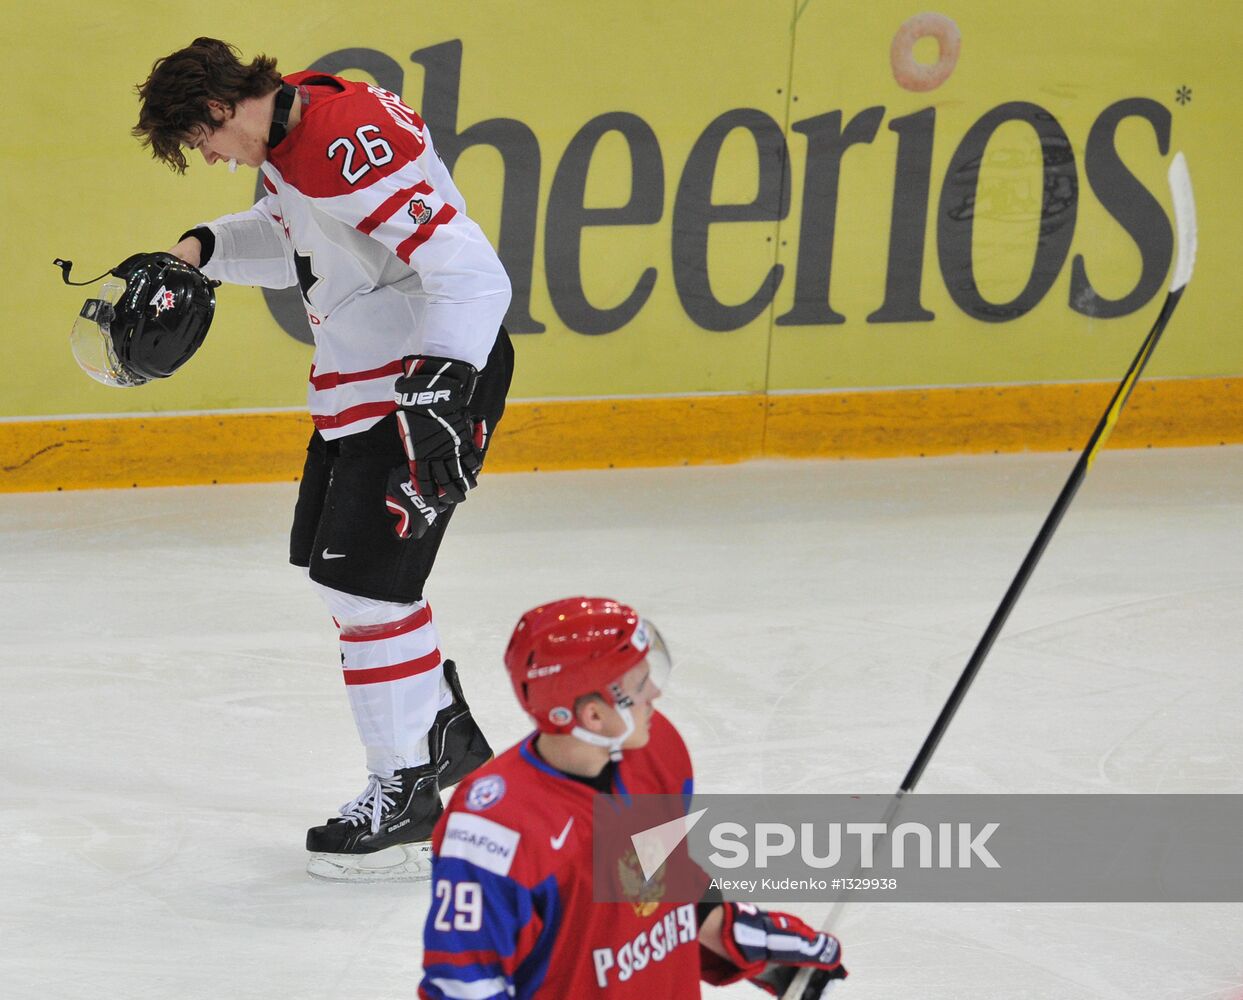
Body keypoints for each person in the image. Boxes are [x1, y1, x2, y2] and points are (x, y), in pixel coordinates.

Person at [131, 37, 514, 880]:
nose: (206, 156)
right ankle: (438, 734)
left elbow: (472, 273)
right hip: (364, 381)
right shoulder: (292, 134)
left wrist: (441, 385)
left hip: (416, 379)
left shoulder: (340, 137)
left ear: (219, 108)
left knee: (366, 588)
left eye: (199, 140)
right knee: (348, 581)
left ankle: (406, 786)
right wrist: (198, 250)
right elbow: (294, 239)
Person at [420, 597, 848, 997]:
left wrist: (744, 938)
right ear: (592, 714)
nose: (654, 695)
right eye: (639, 684)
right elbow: (463, 983)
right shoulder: (492, 830)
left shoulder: (658, 754)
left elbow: (654, 878)